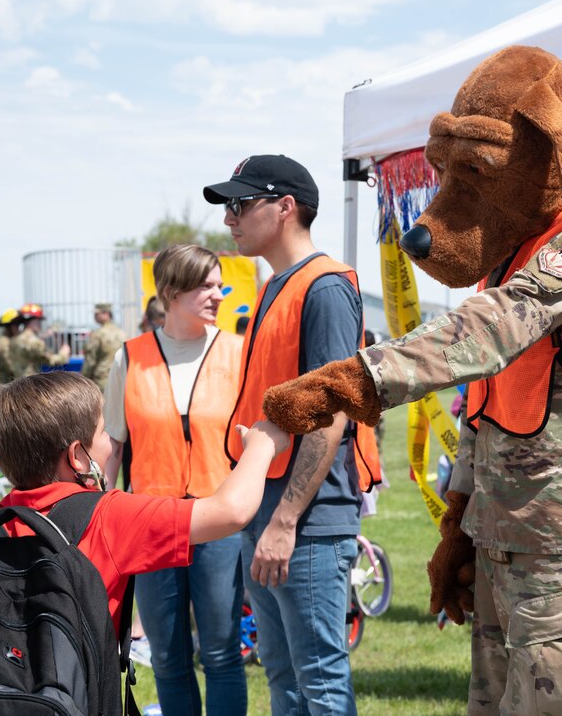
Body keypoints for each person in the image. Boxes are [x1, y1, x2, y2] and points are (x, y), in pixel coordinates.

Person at [0, 371, 289, 716]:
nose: (111, 441)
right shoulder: (109, 516)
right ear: (78, 457)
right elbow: (230, 511)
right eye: (102, 432)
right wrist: (263, 444)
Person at [204, 154, 370, 714]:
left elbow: (333, 410)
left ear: (285, 207)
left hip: (306, 522)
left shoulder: (322, 288)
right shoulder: (280, 284)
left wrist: (285, 520)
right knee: (285, 679)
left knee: (319, 684)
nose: (230, 217)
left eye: (240, 204)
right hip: (268, 511)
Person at [102, 244, 247, 716]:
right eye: (206, 285)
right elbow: (113, 446)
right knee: (167, 658)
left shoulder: (237, 353)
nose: (219, 294)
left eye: (219, 283)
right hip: (150, 525)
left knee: (223, 654)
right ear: (171, 292)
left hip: (220, 523)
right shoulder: (129, 358)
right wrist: (101, 517)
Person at [8, 303, 70, 379]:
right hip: (30, 385)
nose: (40, 324)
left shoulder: (15, 340)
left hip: (17, 384)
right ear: (32, 321)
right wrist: (64, 353)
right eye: (39, 320)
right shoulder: (35, 342)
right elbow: (51, 361)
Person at [81, 303, 126, 392]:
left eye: (97, 314)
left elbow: (90, 362)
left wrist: (83, 380)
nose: (94, 316)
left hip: (101, 381)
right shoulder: (123, 334)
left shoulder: (98, 334)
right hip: (121, 379)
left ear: (106, 314)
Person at [0, 308, 21, 385]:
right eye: (17, 324)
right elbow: (10, 366)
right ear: (9, 326)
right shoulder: (3, 343)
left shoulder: (10, 341)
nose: (18, 328)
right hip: (2, 387)